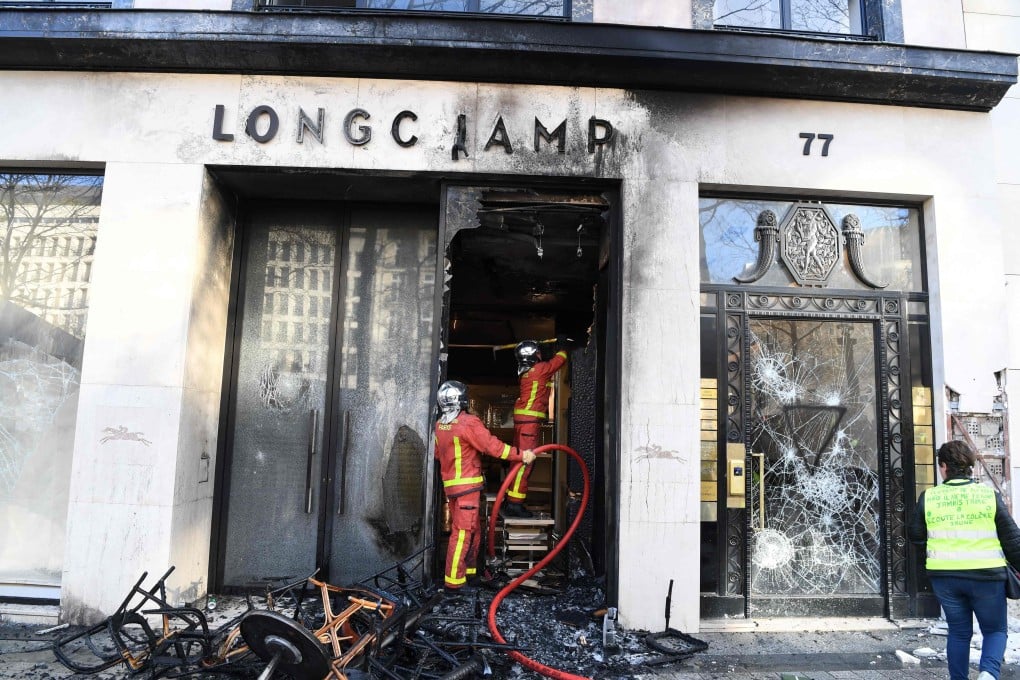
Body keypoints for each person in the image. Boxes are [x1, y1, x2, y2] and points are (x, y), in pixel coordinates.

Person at [908, 440, 1020, 680]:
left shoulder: (929, 498)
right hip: (987, 576)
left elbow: (915, 535)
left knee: (958, 632)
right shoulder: (988, 496)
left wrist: (936, 551)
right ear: (969, 466)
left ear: (944, 467)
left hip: (946, 576)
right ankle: (988, 674)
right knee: (995, 630)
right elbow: (1012, 539)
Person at [434, 380, 536, 592]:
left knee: (473, 532)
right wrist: (521, 455)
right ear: (461, 400)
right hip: (467, 489)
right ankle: (453, 585)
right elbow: (493, 447)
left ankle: (470, 575)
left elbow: (438, 455)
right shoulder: (468, 423)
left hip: (455, 488)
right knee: (462, 534)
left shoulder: (440, 425)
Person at [503, 337, 570, 518]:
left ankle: (510, 498)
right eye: (538, 352)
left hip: (523, 422)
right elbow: (559, 361)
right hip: (529, 424)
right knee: (525, 463)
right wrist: (562, 348)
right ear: (534, 356)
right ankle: (515, 504)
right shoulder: (539, 369)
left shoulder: (527, 371)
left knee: (517, 461)